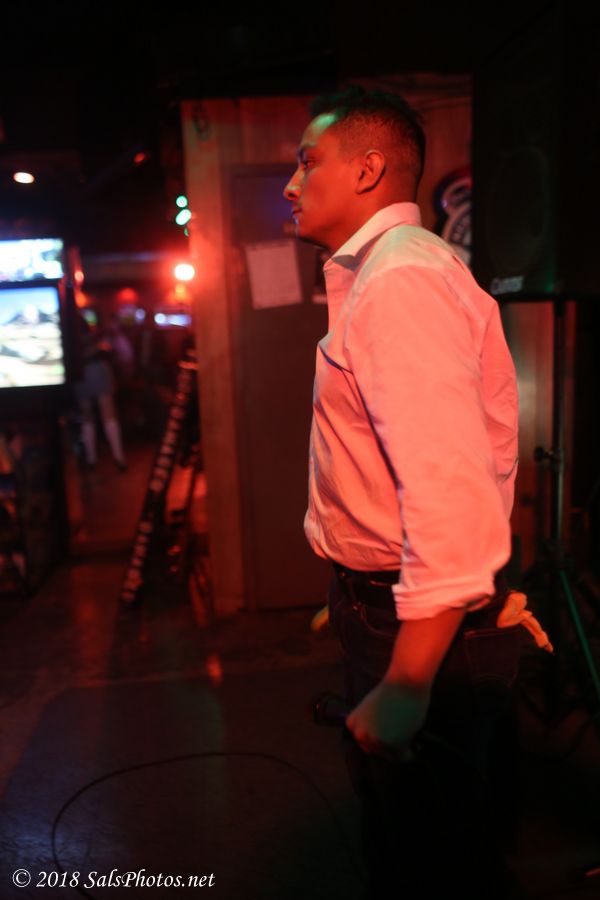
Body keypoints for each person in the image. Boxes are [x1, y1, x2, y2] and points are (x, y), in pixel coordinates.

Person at [284, 87, 523, 898]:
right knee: (421, 841)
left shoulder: (401, 280)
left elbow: (449, 494)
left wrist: (410, 678)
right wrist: (353, 579)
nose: (291, 183)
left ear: (368, 168)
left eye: (308, 161)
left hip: (410, 617)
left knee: (427, 861)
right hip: (383, 600)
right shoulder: (391, 273)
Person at [74, 314, 127, 471]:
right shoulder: (95, 338)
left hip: (79, 373)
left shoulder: (71, 335)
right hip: (96, 369)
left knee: (87, 416)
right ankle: (119, 458)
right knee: (108, 414)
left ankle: (91, 460)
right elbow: (107, 350)